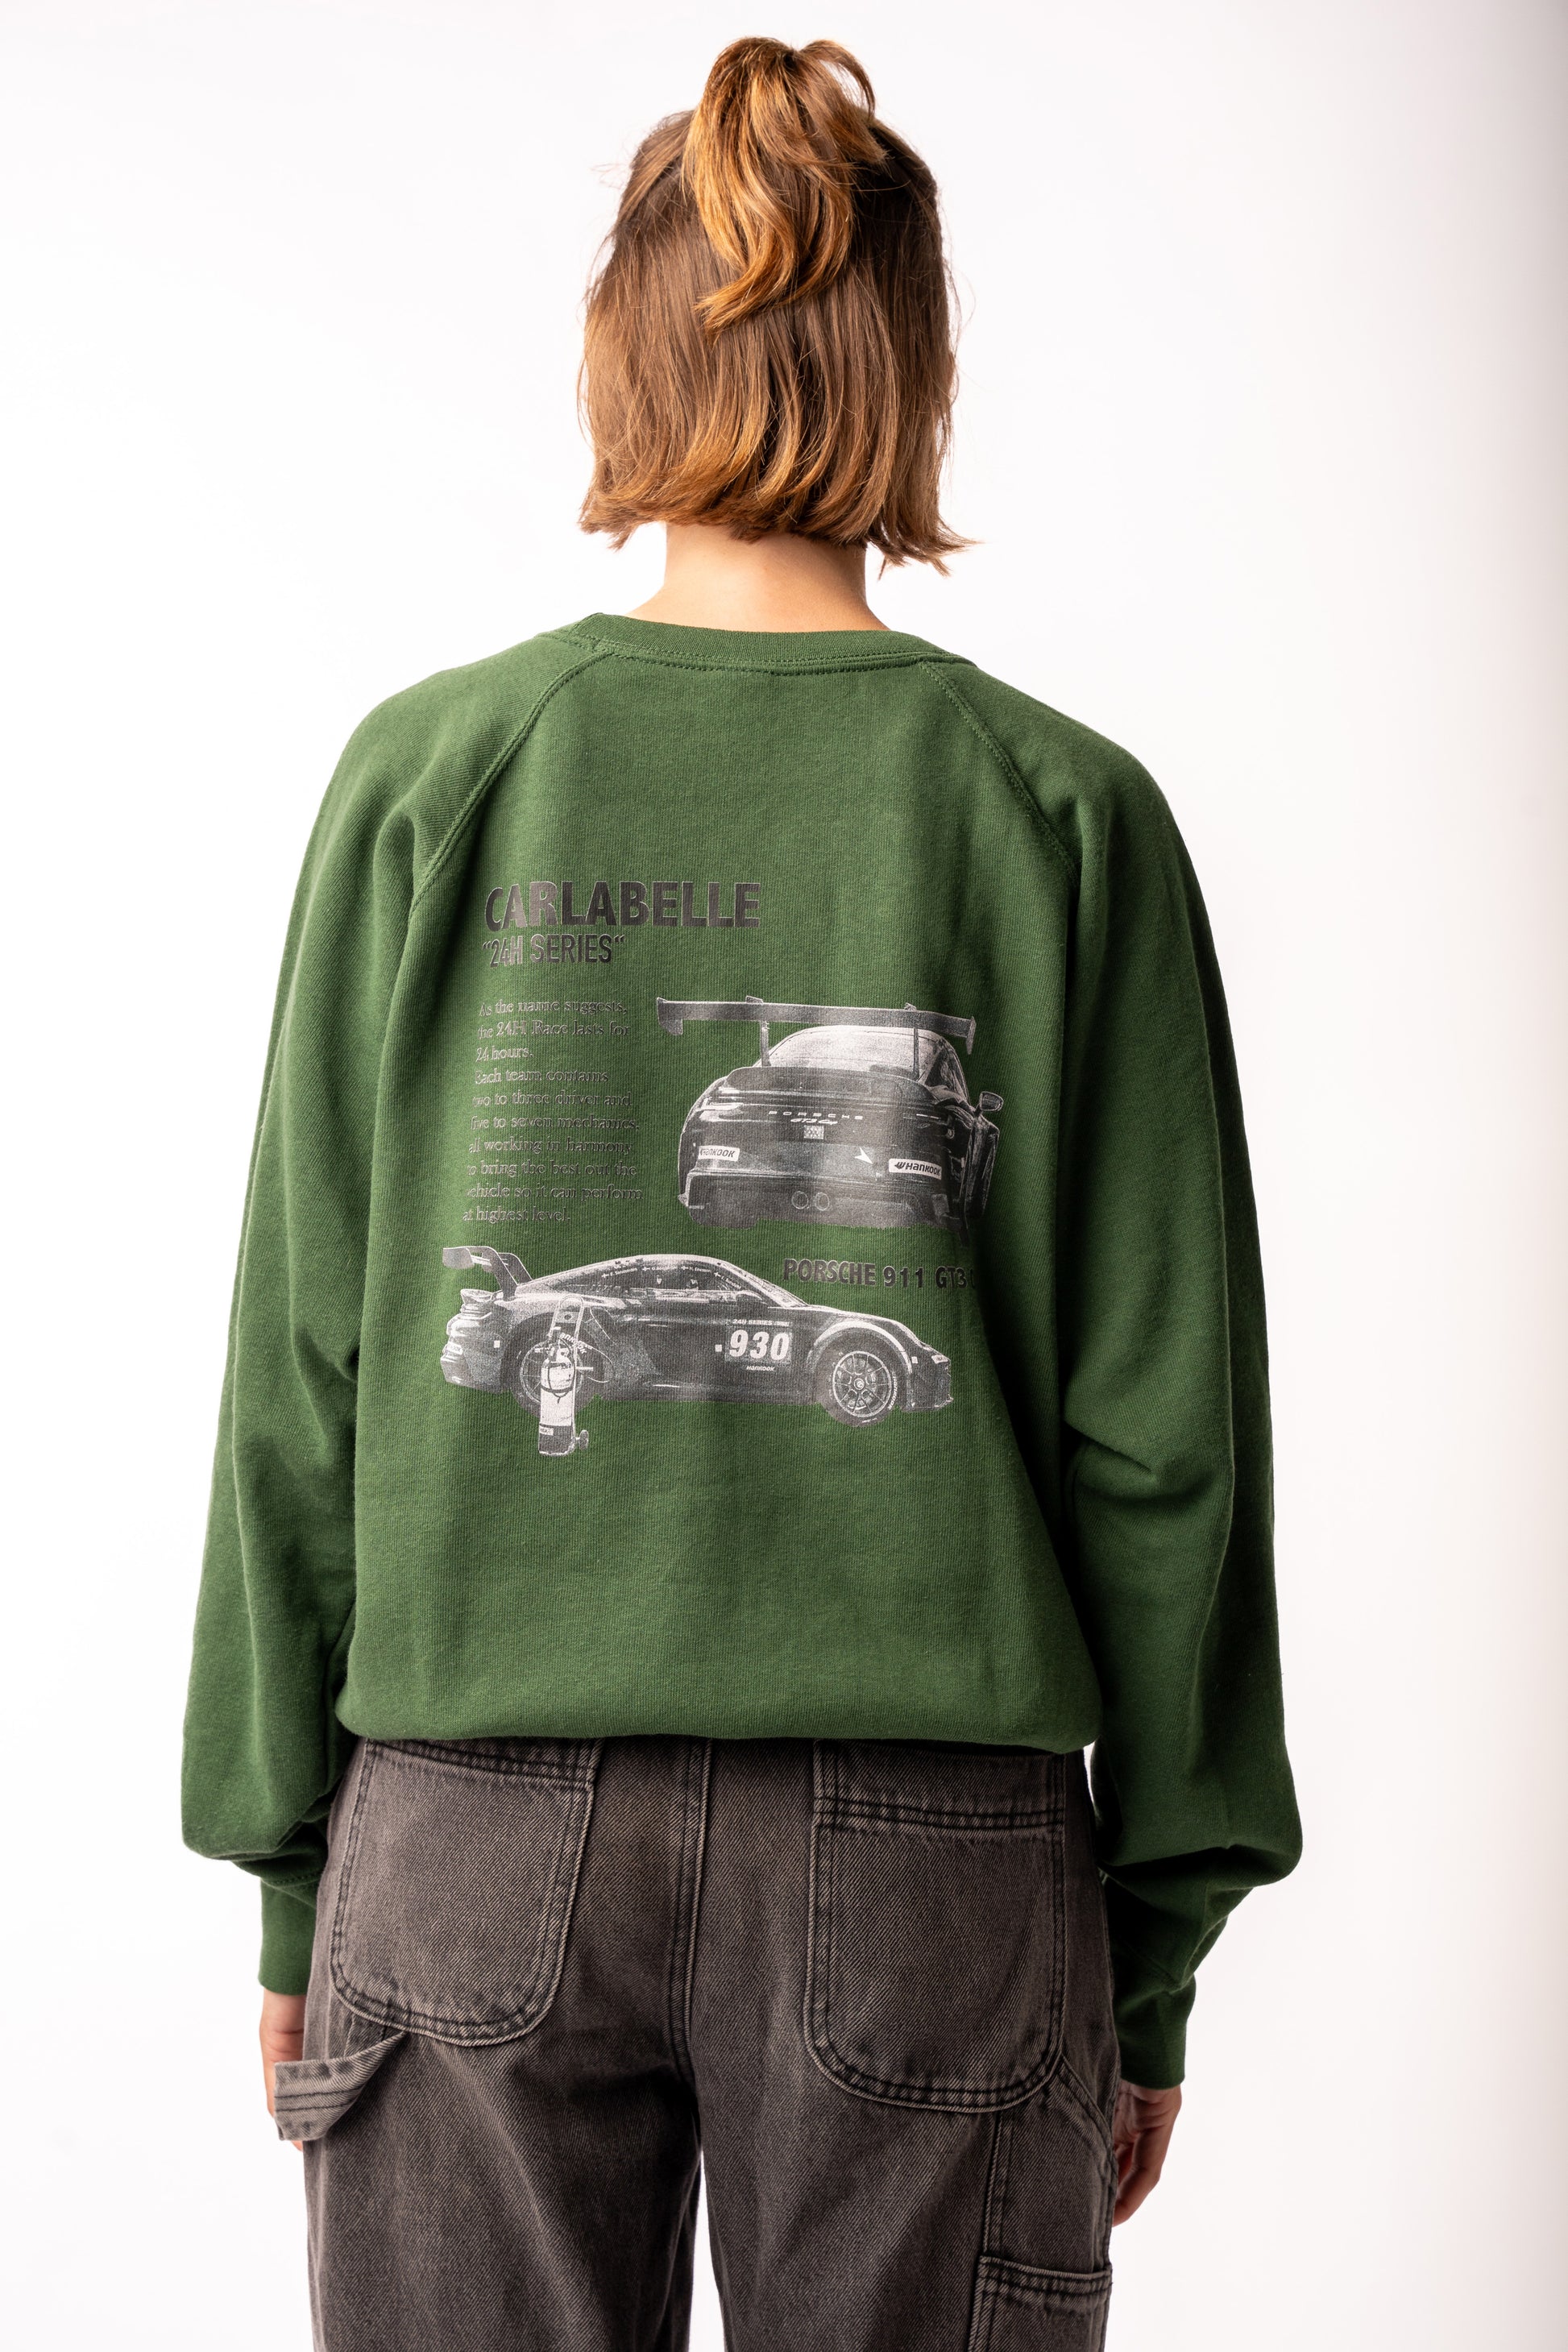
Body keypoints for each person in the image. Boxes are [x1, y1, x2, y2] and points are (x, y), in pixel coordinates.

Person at [184, 35, 1300, 2351]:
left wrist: (295, 1872)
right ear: (916, 370)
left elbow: (311, 1364)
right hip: (934, 1862)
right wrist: (1153, 1943)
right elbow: (1165, 1436)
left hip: (467, 1821)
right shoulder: (1061, 816)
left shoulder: (431, 778)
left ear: (622, 349)